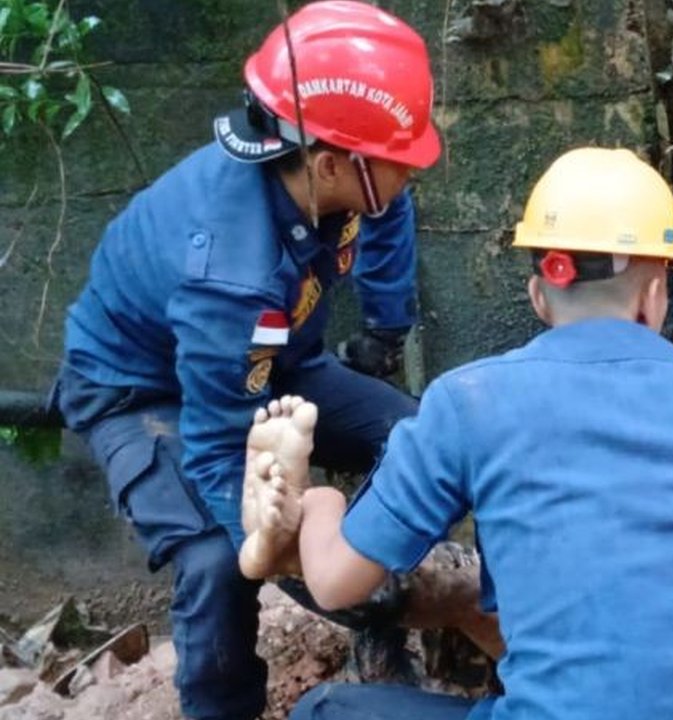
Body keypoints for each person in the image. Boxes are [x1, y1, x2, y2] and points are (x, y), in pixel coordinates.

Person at [243, 147, 673, 720]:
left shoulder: (468, 401)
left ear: (538, 297)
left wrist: (322, 502)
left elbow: (334, 585)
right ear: (656, 298)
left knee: (325, 710)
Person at [54, 3, 464, 718]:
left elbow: (390, 213)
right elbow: (215, 451)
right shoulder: (229, 273)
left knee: (422, 438)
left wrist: (384, 333)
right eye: (403, 160)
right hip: (141, 391)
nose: (414, 170)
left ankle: (392, 628)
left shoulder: (349, 170)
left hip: (272, 360)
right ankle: (224, 706)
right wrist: (302, 566)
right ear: (332, 163)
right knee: (217, 561)